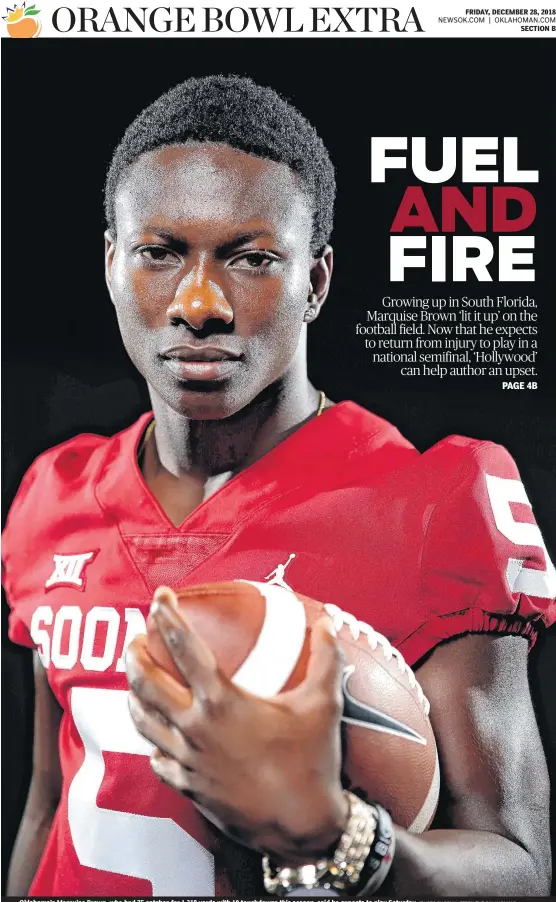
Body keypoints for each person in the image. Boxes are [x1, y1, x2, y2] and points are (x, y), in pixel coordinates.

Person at [3, 75, 554, 898]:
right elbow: (48, 810)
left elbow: (521, 866)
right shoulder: (54, 492)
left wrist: (341, 838)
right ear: (112, 263)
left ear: (317, 282)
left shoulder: (434, 498)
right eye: (160, 252)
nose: (199, 304)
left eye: (251, 258)